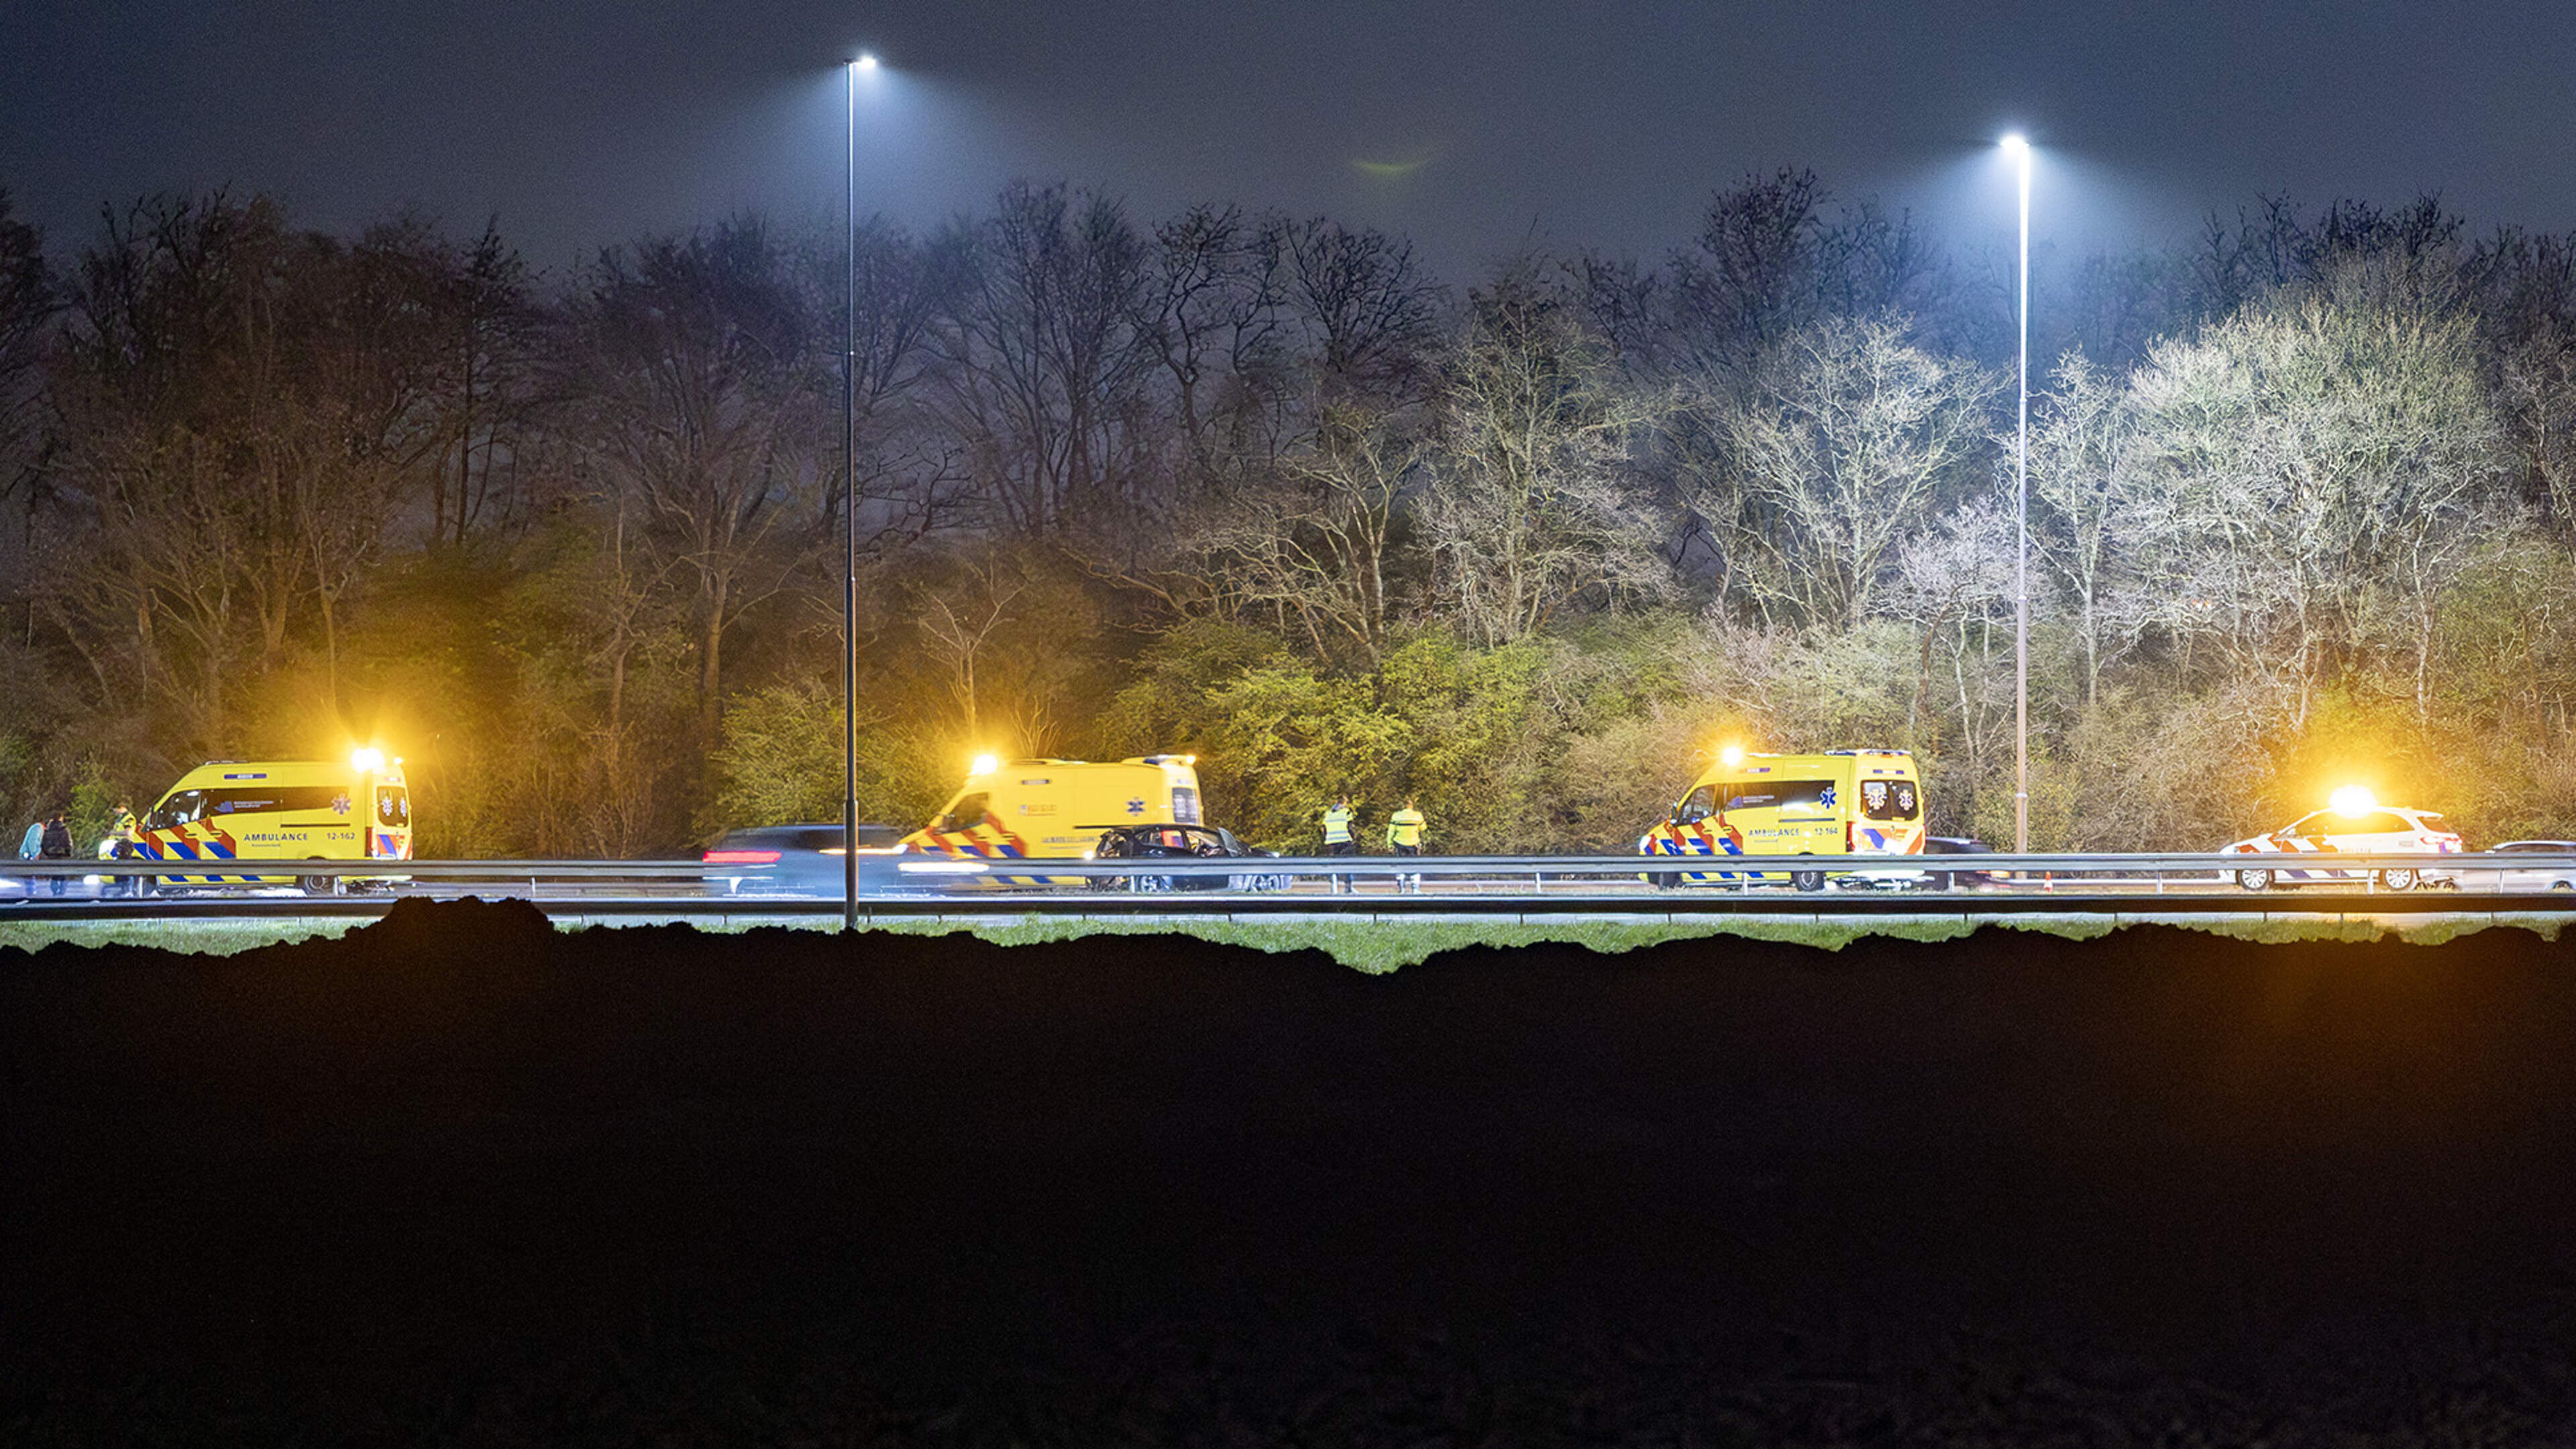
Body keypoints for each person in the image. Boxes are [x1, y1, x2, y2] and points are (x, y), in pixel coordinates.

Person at [1386, 796, 1427, 894]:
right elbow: (1423, 828)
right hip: (1413, 844)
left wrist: (1390, 844)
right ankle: (1415, 889)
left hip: (1400, 844)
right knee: (1415, 866)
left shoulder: (1396, 816)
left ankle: (1401, 888)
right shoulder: (1418, 815)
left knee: (1400, 866)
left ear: (1402, 806)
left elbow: (1391, 831)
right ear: (1412, 806)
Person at [1321, 795, 1358, 894]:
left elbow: (1324, 829)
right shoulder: (1346, 812)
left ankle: (1334, 888)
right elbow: (1350, 827)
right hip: (1345, 840)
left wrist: (1326, 840)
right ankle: (1348, 887)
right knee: (1349, 864)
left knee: (1333, 865)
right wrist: (1353, 838)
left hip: (1331, 842)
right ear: (1345, 803)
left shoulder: (1328, 814)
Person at [38, 811, 72, 897]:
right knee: (63, 874)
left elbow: (44, 844)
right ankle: (61, 892)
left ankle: (54, 891)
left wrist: (48, 853)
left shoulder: (48, 830)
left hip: (51, 855)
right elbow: (68, 843)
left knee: (54, 874)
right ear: (61, 818)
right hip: (62, 855)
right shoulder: (64, 830)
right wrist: (68, 853)